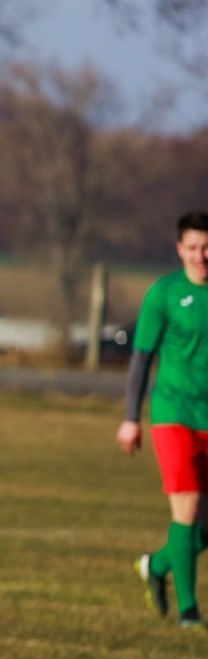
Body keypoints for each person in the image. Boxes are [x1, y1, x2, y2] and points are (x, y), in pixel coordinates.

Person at [120, 210, 208, 629]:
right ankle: (189, 612)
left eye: (207, 247)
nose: (201, 255)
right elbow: (141, 359)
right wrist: (130, 418)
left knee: (201, 528)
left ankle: (156, 565)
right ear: (180, 249)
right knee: (186, 509)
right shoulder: (163, 294)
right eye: (192, 247)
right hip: (173, 414)